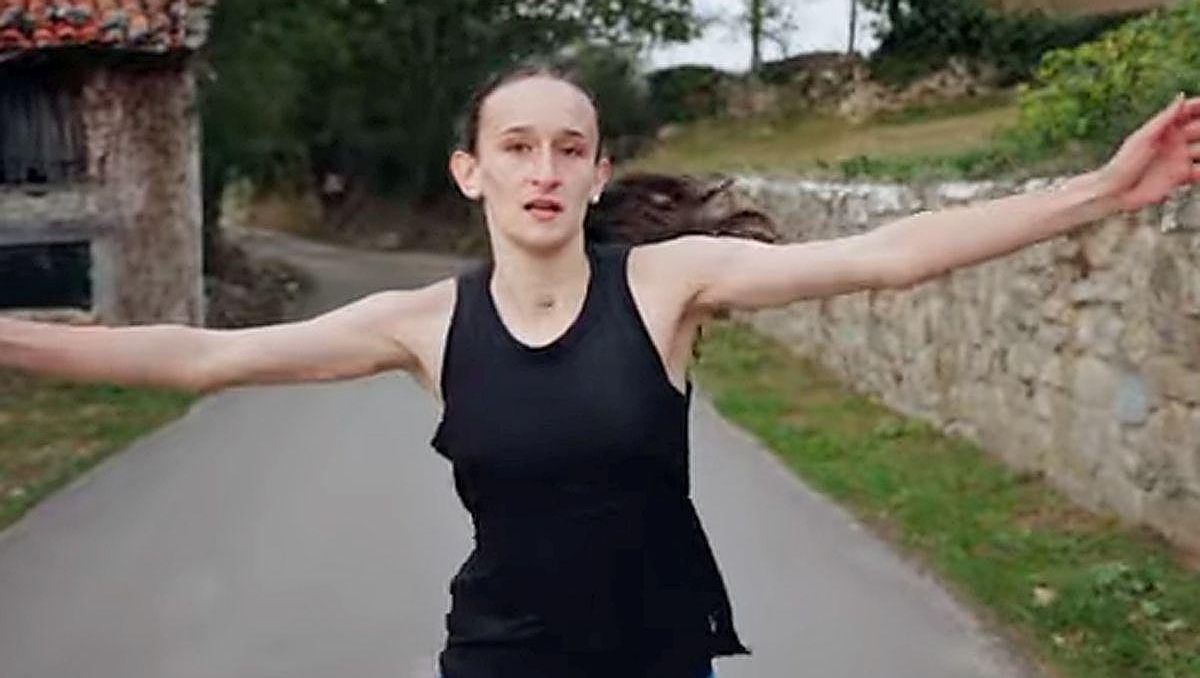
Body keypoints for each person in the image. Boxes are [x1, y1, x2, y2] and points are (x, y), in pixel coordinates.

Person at [1, 62, 1198, 678]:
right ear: (471, 171)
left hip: (659, 657)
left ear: (595, 170)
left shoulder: (667, 285)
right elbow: (203, 356)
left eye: (568, 149)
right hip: (502, 659)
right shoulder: (424, 324)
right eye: (516, 147)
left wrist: (1099, 190)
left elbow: (884, 257)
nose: (543, 170)